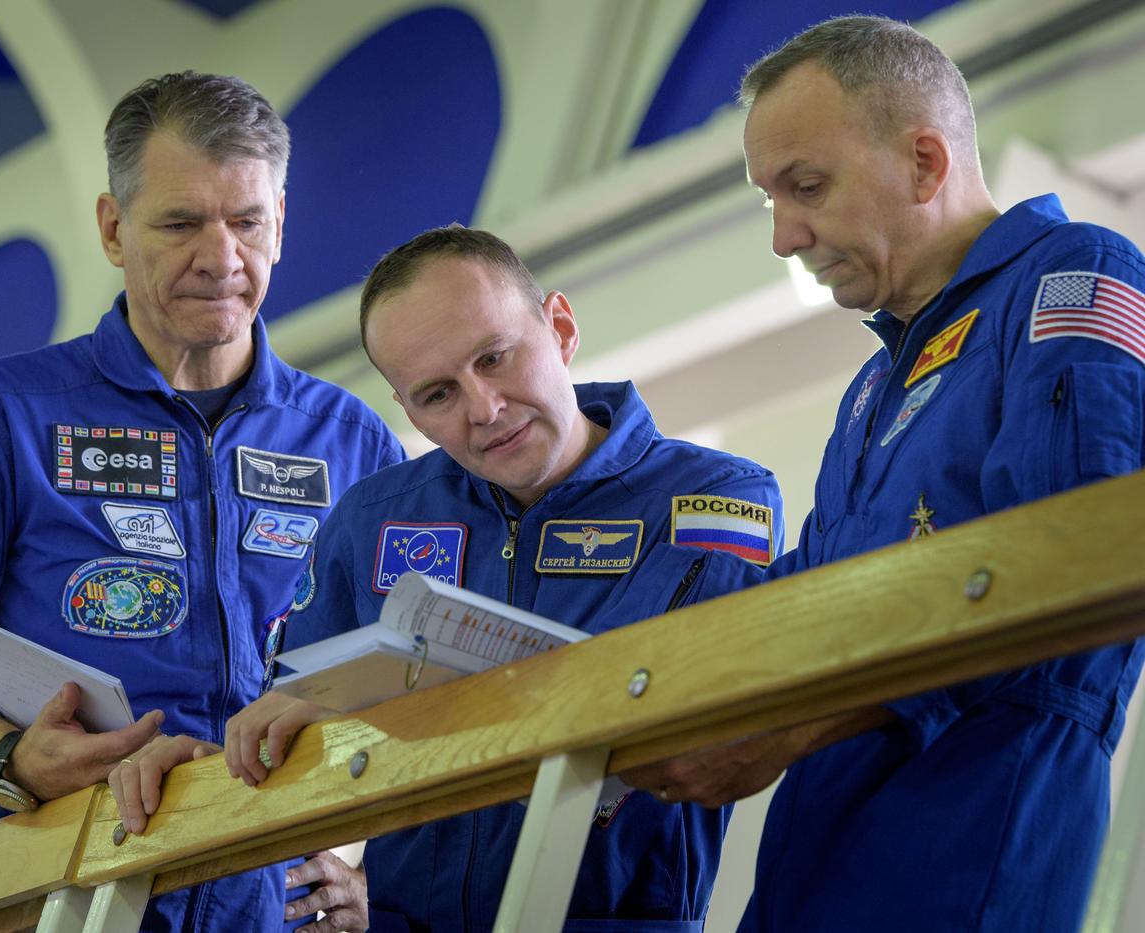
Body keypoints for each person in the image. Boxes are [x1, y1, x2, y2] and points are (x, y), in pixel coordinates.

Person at [623, 15, 1145, 931]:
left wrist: (792, 726)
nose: (785, 236)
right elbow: (810, 594)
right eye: (769, 200)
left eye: (808, 186)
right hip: (813, 858)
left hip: (972, 838)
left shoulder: (1071, 276)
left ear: (926, 164)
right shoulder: (873, 385)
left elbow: (1074, 565)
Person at [117, 225, 785, 931]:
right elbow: (295, 728)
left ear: (559, 327)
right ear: (408, 412)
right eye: (438, 393)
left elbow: (660, 704)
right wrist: (213, 767)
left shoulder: (713, 496)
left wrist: (381, 713)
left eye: (495, 357)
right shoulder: (370, 517)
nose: (483, 408)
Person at [0, 71, 404, 931]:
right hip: (59, 887)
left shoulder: (354, 443)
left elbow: (415, 679)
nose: (221, 258)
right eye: (182, 222)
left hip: (275, 905)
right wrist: (8, 757)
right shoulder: (2, 417)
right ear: (115, 229)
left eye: (248, 222)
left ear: (281, 226)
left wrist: (383, 886)